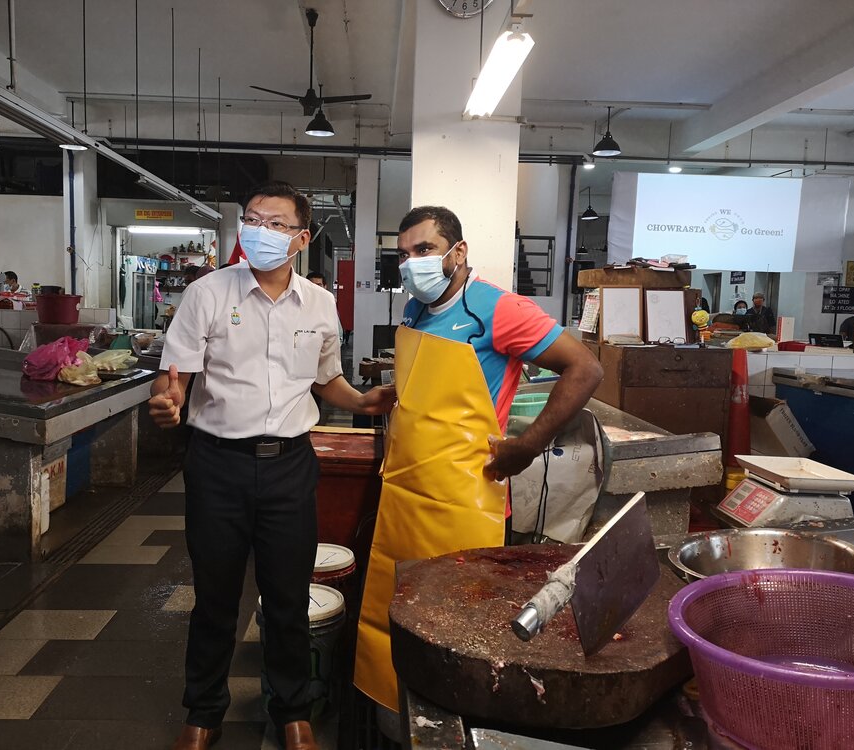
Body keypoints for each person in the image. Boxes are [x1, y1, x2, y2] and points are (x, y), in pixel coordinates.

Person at [148, 181, 394, 750]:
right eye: (253, 219)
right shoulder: (208, 293)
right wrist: (169, 398)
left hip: (289, 466)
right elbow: (174, 374)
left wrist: (360, 402)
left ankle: (291, 710)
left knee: (287, 596)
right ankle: (203, 709)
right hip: (217, 465)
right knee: (215, 595)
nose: (261, 231)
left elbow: (324, 378)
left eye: (276, 224)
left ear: (302, 238)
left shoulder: (320, 304)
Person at [396, 205, 603, 480]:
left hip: (469, 486)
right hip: (410, 477)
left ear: (459, 252)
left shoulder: (501, 308)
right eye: (404, 254)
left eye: (424, 250)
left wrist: (529, 446)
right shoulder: (414, 310)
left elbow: (586, 368)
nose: (411, 263)